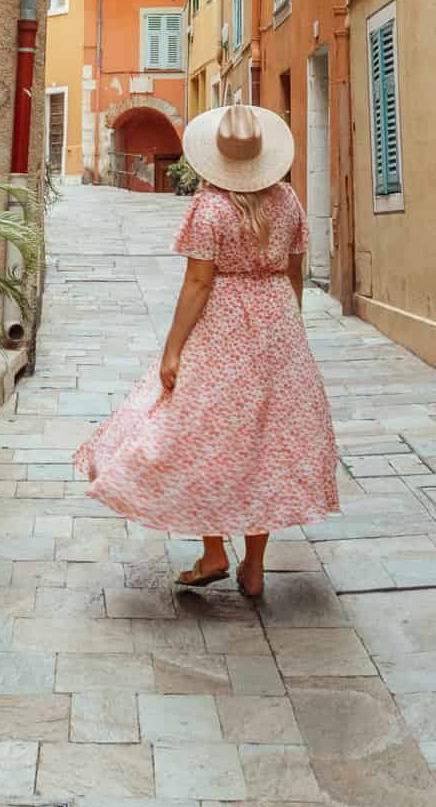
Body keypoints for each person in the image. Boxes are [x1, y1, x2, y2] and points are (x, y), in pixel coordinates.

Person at [72, 102, 339, 599]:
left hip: (222, 326)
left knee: (203, 434)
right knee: (267, 445)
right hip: (278, 322)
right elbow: (295, 273)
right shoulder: (289, 202)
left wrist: (173, 349)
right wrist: (289, 328)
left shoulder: (211, 207)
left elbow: (198, 282)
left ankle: (214, 549)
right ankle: (254, 566)